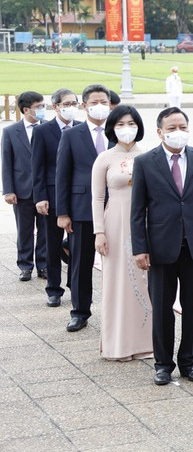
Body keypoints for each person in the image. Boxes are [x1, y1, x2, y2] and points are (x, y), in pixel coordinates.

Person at [131, 107, 193, 385]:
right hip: (160, 247)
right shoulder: (146, 162)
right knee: (161, 306)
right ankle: (162, 364)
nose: (177, 132)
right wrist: (140, 247)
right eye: (171, 128)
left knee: (192, 307)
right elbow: (138, 210)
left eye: (182, 127)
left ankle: (189, 362)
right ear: (160, 131)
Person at [91, 105, 152, 361]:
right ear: (112, 128)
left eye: (131, 123)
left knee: (144, 282)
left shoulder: (149, 156)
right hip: (114, 223)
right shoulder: (104, 158)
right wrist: (99, 232)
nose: (127, 129)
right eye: (120, 124)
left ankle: (145, 342)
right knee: (117, 283)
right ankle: (117, 345)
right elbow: (97, 198)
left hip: (146, 223)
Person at [56, 84, 114, 332]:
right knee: (80, 262)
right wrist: (62, 212)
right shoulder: (72, 135)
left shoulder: (119, 132)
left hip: (115, 207)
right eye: (94, 102)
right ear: (84, 105)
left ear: (111, 104)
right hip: (81, 208)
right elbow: (62, 175)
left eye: (104, 101)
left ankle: (118, 311)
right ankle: (80, 311)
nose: (99, 106)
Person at [32, 88, 81, 307]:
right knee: (52, 244)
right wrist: (40, 197)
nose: (71, 107)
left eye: (74, 103)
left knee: (76, 244)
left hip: (78, 196)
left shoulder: (82, 129)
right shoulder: (43, 131)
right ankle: (53, 288)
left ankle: (75, 284)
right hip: (51, 196)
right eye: (66, 104)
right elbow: (38, 167)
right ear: (56, 106)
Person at [3, 91, 47, 282]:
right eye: (38, 107)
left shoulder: (49, 128)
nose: (42, 110)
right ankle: (25, 265)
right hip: (22, 190)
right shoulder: (11, 132)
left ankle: (44, 264)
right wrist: (8, 190)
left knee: (46, 230)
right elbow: (7, 162)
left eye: (43, 106)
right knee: (24, 229)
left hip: (45, 189)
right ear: (26, 110)